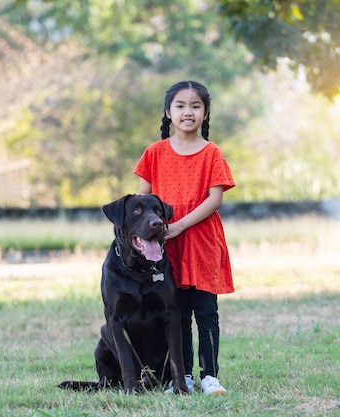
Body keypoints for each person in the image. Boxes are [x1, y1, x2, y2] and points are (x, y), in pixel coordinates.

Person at [134, 80, 235, 395]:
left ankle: (209, 377)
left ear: (205, 113)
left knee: (205, 311)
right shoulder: (155, 153)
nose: (187, 112)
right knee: (175, 312)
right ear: (168, 112)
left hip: (202, 242)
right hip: (165, 247)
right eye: (180, 105)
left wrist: (179, 225)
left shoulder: (211, 153)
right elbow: (142, 203)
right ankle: (183, 377)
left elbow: (214, 199)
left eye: (195, 106)